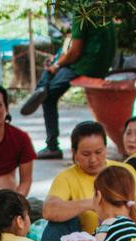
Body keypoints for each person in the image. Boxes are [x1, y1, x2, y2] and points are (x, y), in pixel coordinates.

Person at [41, 121, 136, 241]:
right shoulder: (66, 177)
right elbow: (49, 211)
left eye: (99, 152)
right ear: (74, 152)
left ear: (106, 149)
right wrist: (93, 203)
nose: (93, 159)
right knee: (59, 223)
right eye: (86, 154)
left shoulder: (124, 172)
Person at [21, 16, 117, 159]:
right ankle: (42, 87)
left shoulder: (82, 12)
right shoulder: (104, 10)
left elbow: (74, 52)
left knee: (48, 95)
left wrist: (57, 64)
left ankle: (52, 145)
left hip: (84, 65)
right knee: (52, 67)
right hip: (99, 63)